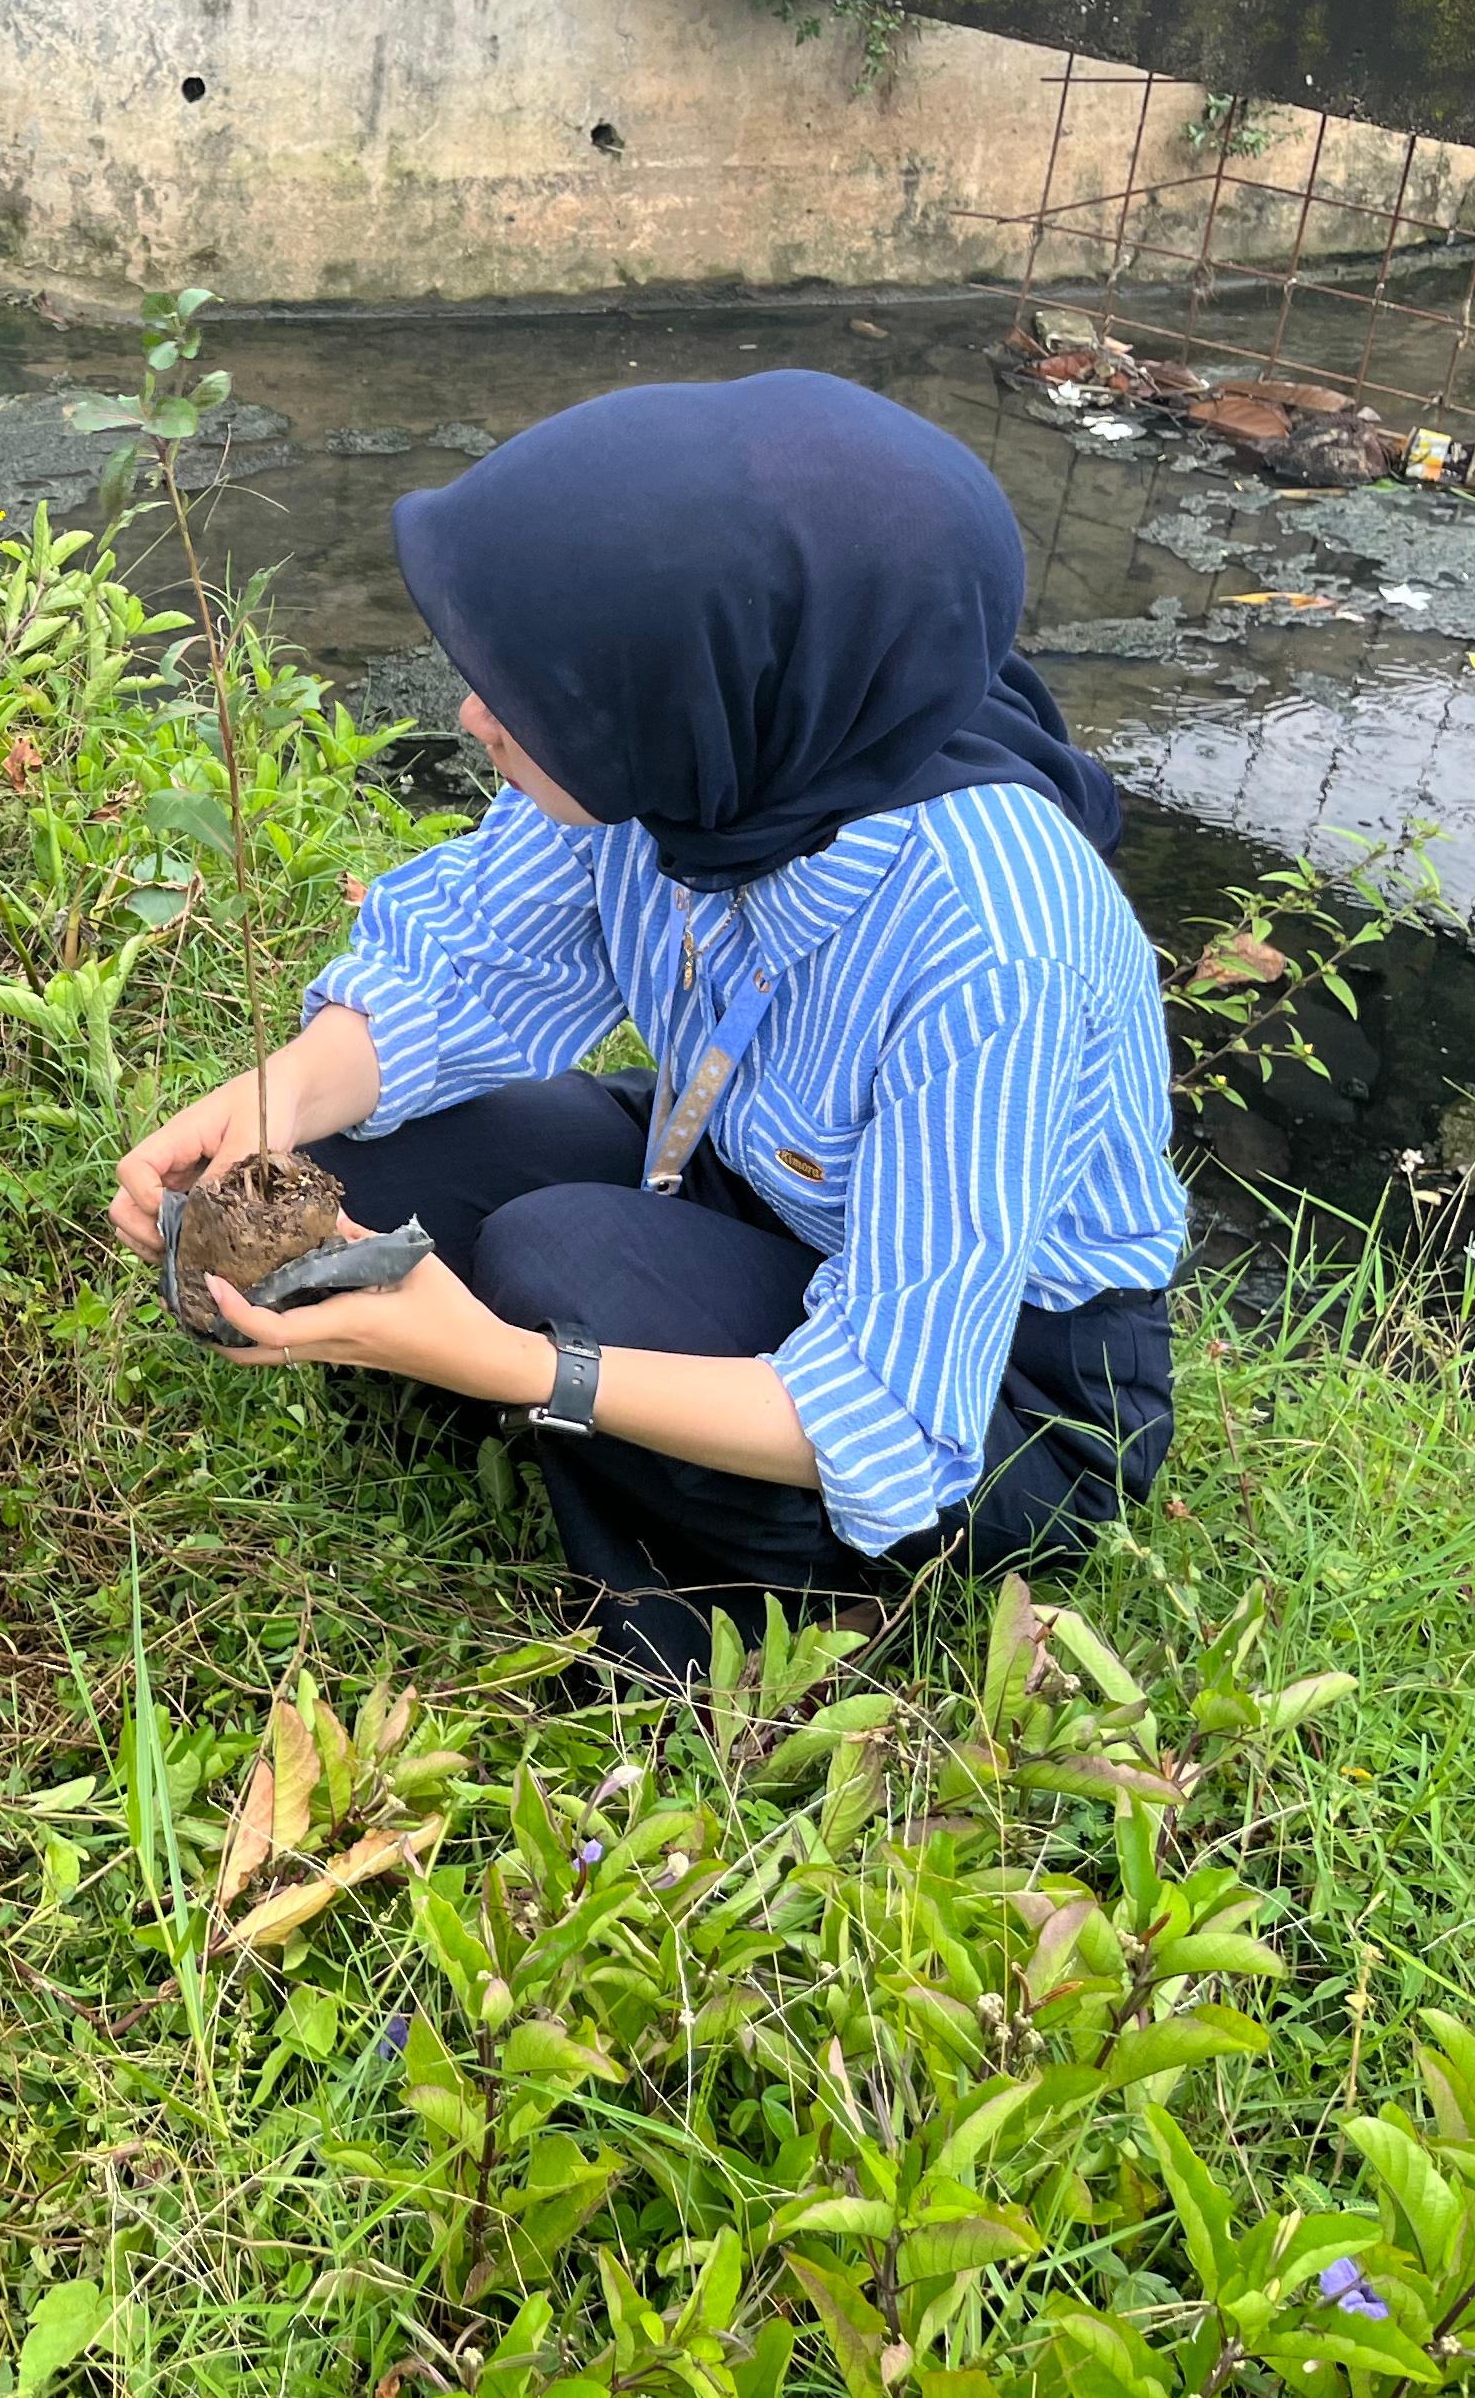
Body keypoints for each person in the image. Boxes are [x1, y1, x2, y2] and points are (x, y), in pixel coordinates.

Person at [111, 373, 1191, 1681]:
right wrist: (267, 1109)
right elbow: (468, 965)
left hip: (1002, 1387)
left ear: (697, 692)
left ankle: (720, 1619)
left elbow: (899, 1414)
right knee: (359, 1165)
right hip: (744, 1178)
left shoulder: (996, 943)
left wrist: (517, 1365)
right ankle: (481, 1394)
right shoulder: (706, 758)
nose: (475, 715)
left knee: (560, 1262)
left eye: (534, 691)